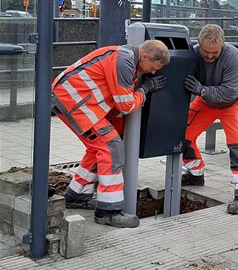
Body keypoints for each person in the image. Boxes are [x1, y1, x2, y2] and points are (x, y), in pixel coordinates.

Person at [51, 40, 170, 228]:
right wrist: (145, 89)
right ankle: (108, 211)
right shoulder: (124, 62)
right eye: (153, 67)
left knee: (97, 148)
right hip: (75, 102)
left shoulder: (125, 58)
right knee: (110, 147)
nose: (153, 72)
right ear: (145, 56)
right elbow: (126, 105)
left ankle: (77, 196)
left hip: (76, 100)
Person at [182, 24, 238, 215]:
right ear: (199, 44)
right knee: (181, 134)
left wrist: (202, 90)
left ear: (223, 45)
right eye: (206, 51)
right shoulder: (193, 54)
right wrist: (202, 92)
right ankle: (195, 174)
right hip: (206, 99)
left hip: (235, 101)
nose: (211, 56)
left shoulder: (233, 56)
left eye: (215, 52)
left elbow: (229, 93)